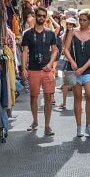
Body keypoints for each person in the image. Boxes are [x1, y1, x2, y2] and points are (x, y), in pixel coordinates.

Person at [21, 8, 61, 136]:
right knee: (34, 97)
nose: (41, 18)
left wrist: (50, 64)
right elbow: (25, 51)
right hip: (33, 69)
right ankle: (35, 121)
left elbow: (55, 50)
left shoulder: (50, 33)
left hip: (47, 69)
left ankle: (47, 125)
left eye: (44, 16)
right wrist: (23, 68)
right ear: (35, 16)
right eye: (39, 15)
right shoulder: (27, 34)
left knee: (48, 97)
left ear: (46, 18)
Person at [67, 11, 90, 138]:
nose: (81, 22)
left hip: (88, 69)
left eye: (84, 20)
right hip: (73, 69)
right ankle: (79, 127)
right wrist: (72, 62)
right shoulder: (73, 32)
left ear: (89, 20)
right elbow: (65, 49)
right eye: (80, 20)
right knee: (77, 97)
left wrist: (83, 68)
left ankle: (89, 125)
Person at [58, 18, 77, 110]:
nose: (69, 26)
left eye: (71, 24)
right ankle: (64, 102)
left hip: (76, 60)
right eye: (68, 24)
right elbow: (63, 47)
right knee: (66, 83)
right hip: (68, 60)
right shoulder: (65, 35)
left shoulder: (77, 34)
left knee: (75, 83)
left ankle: (76, 103)